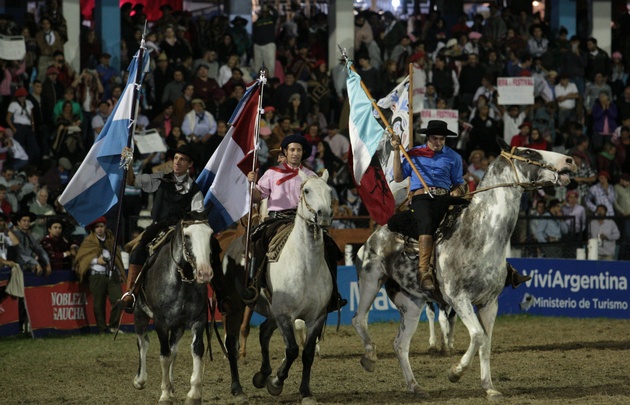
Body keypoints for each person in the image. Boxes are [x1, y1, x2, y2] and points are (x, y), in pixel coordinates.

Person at [246, 134, 347, 312]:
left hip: (305, 221)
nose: (295, 153)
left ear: (303, 153)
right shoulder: (272, 173)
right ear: (285, 152)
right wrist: (251, 184)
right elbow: (257, 197)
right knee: (258, 241)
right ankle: (254, 285)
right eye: (292, 149)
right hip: (277, 219)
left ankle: (332, 295)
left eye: (298, 150)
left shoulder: (311, 175)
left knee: (330, 247)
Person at [116, 144, 204, 312]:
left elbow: (197, 217)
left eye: (182, 159)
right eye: (176, 158)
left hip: (182, 231)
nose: (177, 162)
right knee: (139, 249)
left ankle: (205, 294)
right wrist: (128, 162)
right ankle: (130, 294)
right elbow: (132, 181)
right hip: (158, 229)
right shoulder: (160, 179)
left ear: (190, 165)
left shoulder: (195, 190)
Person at [392, 120, 466, 290]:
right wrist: (397, 151)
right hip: (421, 198)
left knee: (473, 213)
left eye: (442, 139)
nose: (438, 142)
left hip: (444, 197)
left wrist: (457, 191)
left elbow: (459, 183)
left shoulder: (454, 157)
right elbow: (397, 177)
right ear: (427, 138)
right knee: (426, 222)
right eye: (434, 138)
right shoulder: (413, 154)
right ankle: (423, 271)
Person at [74, 217, 125, 334]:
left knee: (118, 299)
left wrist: (119, 271)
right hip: (97, 275)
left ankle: (113, 326)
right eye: (97, 227)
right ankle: (102, 329)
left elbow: (117, 256)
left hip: (112, 274)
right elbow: (81, 258)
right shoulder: (89, 241)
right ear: (93, 229)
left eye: (101, 226)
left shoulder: (111, 239)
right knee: (98, 304)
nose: (100, 229)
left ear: (105, 227)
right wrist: (97, 261)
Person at [12, 211, 51, 276]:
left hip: (30, 263)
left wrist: (47, 263)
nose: (26, 223)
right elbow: (21, 253)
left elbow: (39, 249)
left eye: (28, 221)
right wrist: (36, 263)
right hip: (18, 265)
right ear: (18, 222)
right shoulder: (14, 235)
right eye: (24, 221)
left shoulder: (29, 236)